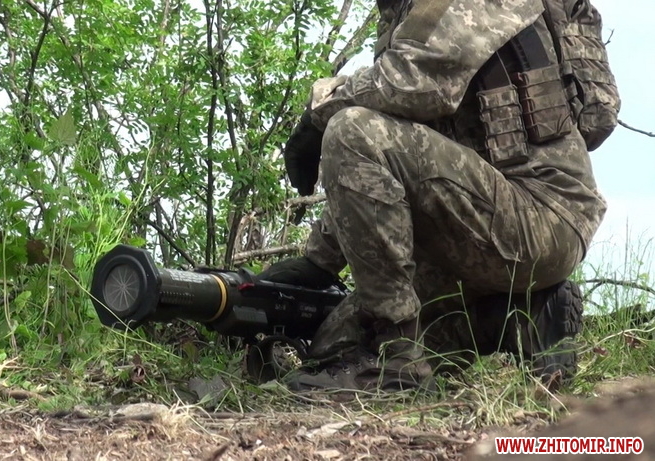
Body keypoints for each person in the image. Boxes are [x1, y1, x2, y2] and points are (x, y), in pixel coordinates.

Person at [259, 0, 613, 393]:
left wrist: (318, 116)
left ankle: (398, 363)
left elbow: (412, 84)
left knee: (351, 129)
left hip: (535, 218)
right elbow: (400, 161)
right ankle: (518, 316)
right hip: (486, 218)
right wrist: (319, 261)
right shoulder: (405, 12)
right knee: (335, 343)